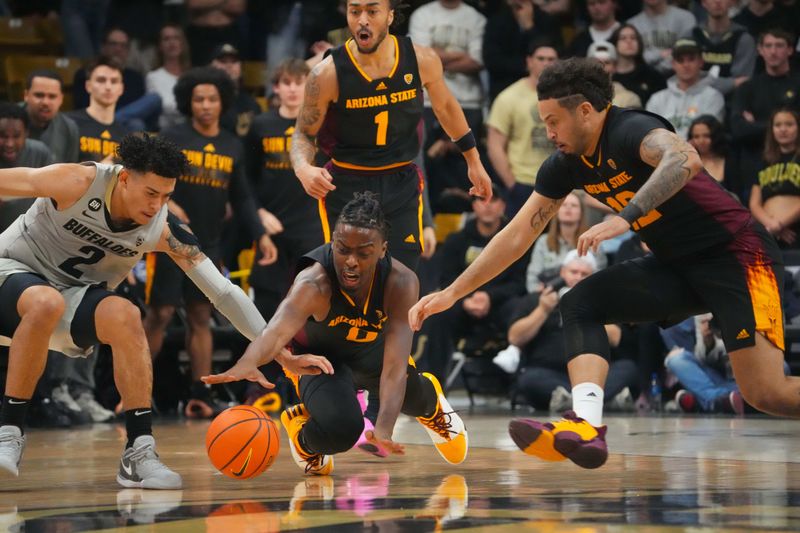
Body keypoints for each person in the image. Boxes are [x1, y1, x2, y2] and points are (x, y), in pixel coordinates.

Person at [409, 57, 794, 470]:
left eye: (554, 121)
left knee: (766, 393)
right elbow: (517, 236)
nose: (548, 132)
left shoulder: (630, 129)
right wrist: (452, 292)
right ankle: (587, 426)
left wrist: (625, 217)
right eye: (543, 122)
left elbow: (685, 160)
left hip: (740, 257)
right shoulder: (565, 163)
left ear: (586, 111)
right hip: (678, 266)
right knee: (580, 302)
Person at [0, 134, 326, 486]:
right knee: (45, 300)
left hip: (66, 299)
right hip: (10, 274)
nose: (157, 206)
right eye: (150, 193)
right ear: (124, 178)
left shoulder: (165, 230)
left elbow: (224, 293)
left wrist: (281, 354)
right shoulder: (77, 181)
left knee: (126, 314)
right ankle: (9, 433)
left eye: (166, 196)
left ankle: (139, 451)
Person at [203, 192, 469, 475]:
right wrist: (249, 361)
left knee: (413, 396)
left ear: (382, 250)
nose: (351, 261)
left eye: (363, 253)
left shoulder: (401, 282)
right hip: (320, 362)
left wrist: (384, 429)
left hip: (372, 354)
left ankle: (433, 407)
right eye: (343, 249)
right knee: (343, 430)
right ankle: (304, 437)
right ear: (333, 242)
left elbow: (394, 368)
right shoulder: (314, 283)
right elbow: (275, 331)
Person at [289, 0, 492, 273]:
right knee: (350, 278)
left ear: (390, 16)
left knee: (403, 277)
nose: (362, 20)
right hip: (348, 183)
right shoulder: (327, 73)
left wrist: (474, 160)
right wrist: (303, 168)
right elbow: (303, 133)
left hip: (401, 182)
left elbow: (445, 108)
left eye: (372, 11)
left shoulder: (421, 59)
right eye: (355, 11)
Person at [144, 67, 276, 419]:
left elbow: (244, 197)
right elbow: (148, 182)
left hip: (209, 243)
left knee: (201, 316)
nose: (205, 105)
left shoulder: (233, 144)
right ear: (188, 101)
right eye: (199, 99)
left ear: (223, 102)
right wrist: (168, 204)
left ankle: (200, 393)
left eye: (212, 99)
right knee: (160, 314)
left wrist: (260, 233)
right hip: (168, 241)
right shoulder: (172, 136)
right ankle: (134, 393)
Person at [509, 250, 638, 412]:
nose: (578, 277)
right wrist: (542, 310)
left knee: (628, 368)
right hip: (552, 374)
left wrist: (587, 310)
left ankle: (571, 402)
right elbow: (514, 337)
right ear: (562, 272)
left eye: (584, 274)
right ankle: (599, 401)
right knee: (528, 379)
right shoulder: (537, 299)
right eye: (573, 272)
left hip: (593, 376)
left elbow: (617, 338)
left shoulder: (603, 302)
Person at [486, 40, 558, 218]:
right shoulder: (509, 97)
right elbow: (494, 145)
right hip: (523, 182)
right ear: (529, 61)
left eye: (551, 59)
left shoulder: (568, 97)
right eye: (541, 58)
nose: (546, 63)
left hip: (559, 181)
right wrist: (512, 184)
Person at [645, 39, 726, 139]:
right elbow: (649, 137)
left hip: (698, 153)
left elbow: (711, 137)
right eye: (680, 60)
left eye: (691, 59)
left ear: (701, 62)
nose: (686, 65)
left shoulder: (713, 97)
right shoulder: (657, 99)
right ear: (673, 64)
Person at [748, 107, 800, 247]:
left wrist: (781, 223)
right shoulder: (764, 162)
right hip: (769, 233)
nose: (783, 129)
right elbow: (754, 203)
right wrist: (771, 224)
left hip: (795, 232)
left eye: (789, 124)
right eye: (778, 125)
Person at [67, 56, 133, 163]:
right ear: (88, 86)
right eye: (101, 80)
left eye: (114, 81)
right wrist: (98, 171)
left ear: (121, 89)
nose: (108, 87)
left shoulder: (126, 137)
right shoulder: (68, 123)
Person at [22, 70, 80, 164]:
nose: (45, 102)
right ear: (26, 95)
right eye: (39, 95)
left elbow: (70, 171)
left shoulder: (69, 128)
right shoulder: (7, 122)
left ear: (61, 99)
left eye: (52, 97)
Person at [146, 23, 191, 132]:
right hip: (165, 132)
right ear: (160, 46)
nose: (172, 42)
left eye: (176, 38)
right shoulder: (153, 77)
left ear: (182, 43)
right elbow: (161, 107)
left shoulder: (192, 76)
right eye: (166, 39)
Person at [609, 24, 667, 107]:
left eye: (633, 38)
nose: (629, 41)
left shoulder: (653, 76)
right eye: (623, 38)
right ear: (614, 44)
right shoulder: (609, 76)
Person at [687, 115, 731, 189]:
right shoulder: (687, 165)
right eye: (696, 137)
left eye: (706, 136)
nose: (701, 141)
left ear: (716, 136)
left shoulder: (731, 161)